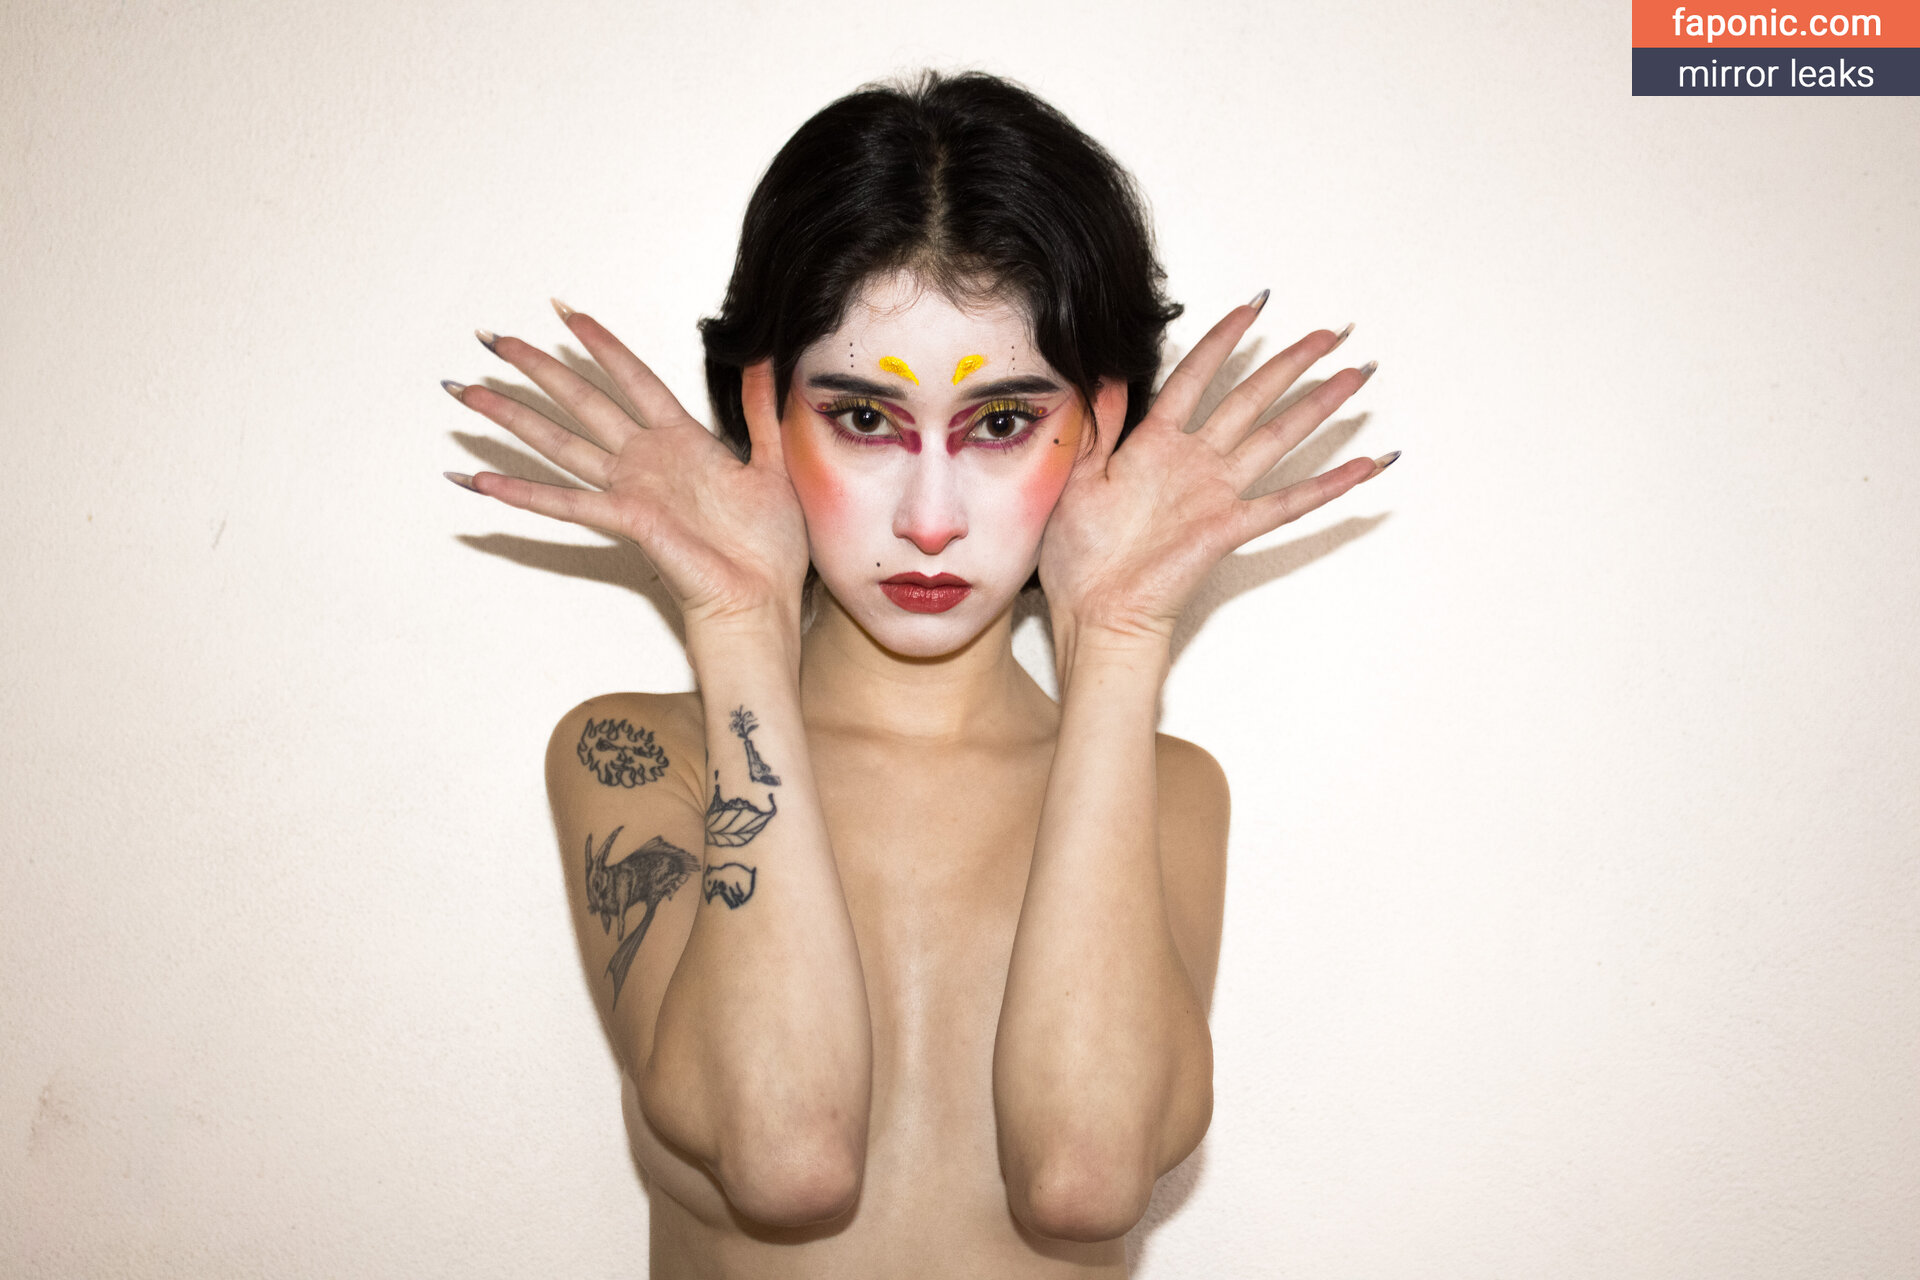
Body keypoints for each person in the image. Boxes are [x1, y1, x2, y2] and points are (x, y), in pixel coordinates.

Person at [441, 69, 1395, 1277]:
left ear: (1099, 430)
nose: (931, 519)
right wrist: (736, 617)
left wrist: (1119, 635)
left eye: (1001, 423)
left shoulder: (1168, 788)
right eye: (862, 419)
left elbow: (1086, 1173)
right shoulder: (637, 758)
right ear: (763, 409)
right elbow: (785, 1152)